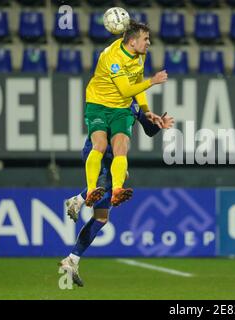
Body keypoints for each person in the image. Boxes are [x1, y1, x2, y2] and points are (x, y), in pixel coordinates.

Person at [59, 104, 175, 287]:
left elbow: (148, 129)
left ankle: (72, 259)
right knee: (115, 177)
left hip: (113, 159)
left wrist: (158, 125)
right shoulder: (109, 97)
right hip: (97, 152)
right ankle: (77, 200)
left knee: (101, 218)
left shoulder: (134, 105)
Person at [84, 19, 167, 209]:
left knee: (121, 145)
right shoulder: (113, 58)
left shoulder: (139, 55)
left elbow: (136, 82)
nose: (148, 43)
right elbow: (125, 90)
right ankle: (90, 191)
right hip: (98, 105)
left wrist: (146, 111)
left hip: (121, 109)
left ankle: (117, 190)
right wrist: (152, 81)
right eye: (145, 39)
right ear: (132, 42)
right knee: (100, 144)